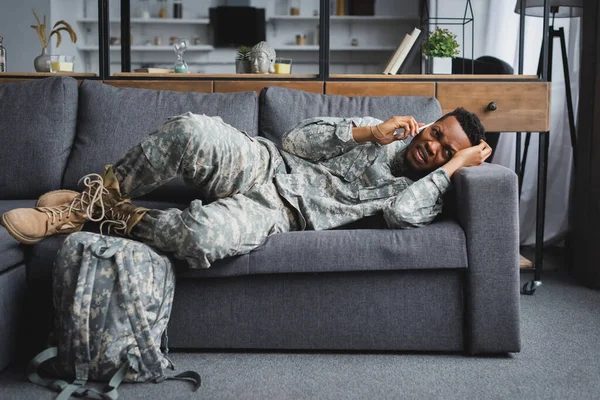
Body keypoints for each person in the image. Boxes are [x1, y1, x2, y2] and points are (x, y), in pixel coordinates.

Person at [0, 108, 491, 269]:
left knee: (203, 240)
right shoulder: (382, 130)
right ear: (427, 125)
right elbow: (295, 140)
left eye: (449, 151)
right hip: (265, 161)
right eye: (436, 134)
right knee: (193, 129)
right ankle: (86, 204)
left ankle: (106, 215)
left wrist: (457, 166)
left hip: (283, 211)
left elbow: (402, 214)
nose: (434, 148)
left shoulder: (429, 191)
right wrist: (367, 133)